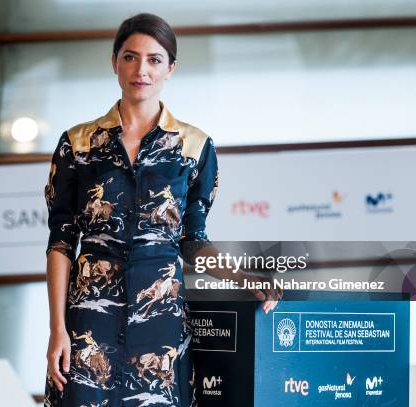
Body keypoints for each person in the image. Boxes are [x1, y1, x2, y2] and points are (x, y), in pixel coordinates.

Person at [43, 13, 278, 406]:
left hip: (162, 322)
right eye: (131, 57)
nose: (142, 70)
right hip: (90, 318)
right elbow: (61, 243)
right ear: (115, 61)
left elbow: (193, 242)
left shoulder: (195, 147)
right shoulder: (77, 144)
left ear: (171, 68)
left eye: (154, 59)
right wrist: (58, 330)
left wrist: (244, 279)